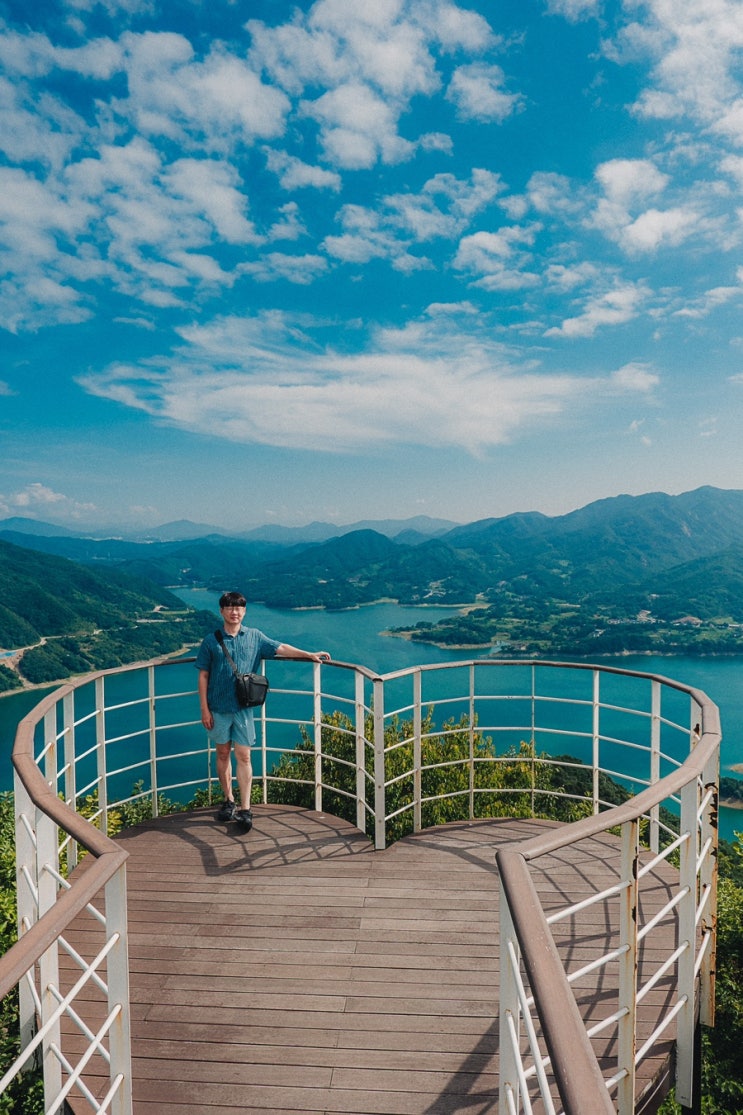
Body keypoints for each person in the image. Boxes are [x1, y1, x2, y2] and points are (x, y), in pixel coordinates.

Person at [195, 591, 331, 830]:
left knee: (244, 756)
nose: (234, 612)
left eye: (239, 608)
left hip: (243, 709)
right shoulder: (211, 641)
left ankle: (246, 808)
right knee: (223, 754)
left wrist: (308, 655)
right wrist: (204, 709)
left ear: (244, 611)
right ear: (222, 611)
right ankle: (228, 800)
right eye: (230, 607)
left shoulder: (255, 637)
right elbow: (203, 675)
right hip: (218, 707)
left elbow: (280, 648)